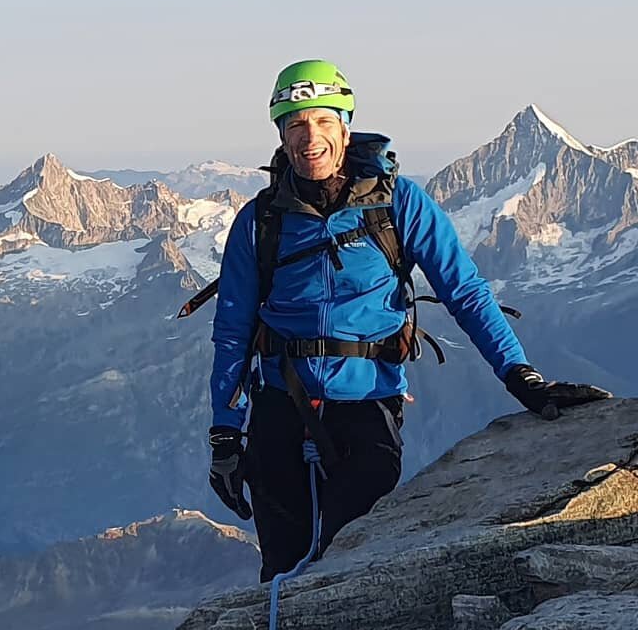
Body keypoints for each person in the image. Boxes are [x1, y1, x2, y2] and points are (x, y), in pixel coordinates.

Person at [206, 59, 585, 581]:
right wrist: (225, 436)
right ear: (281, 134)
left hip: (367, 402)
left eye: (321, 121)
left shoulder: (398, 204)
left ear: (345, 126)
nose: (309, 137)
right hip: (279, 402)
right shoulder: (260, 221)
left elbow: (465, 292)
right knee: (281, 567)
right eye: (295, 124)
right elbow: (231, 333)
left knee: (355, 564)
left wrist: (521, 376)